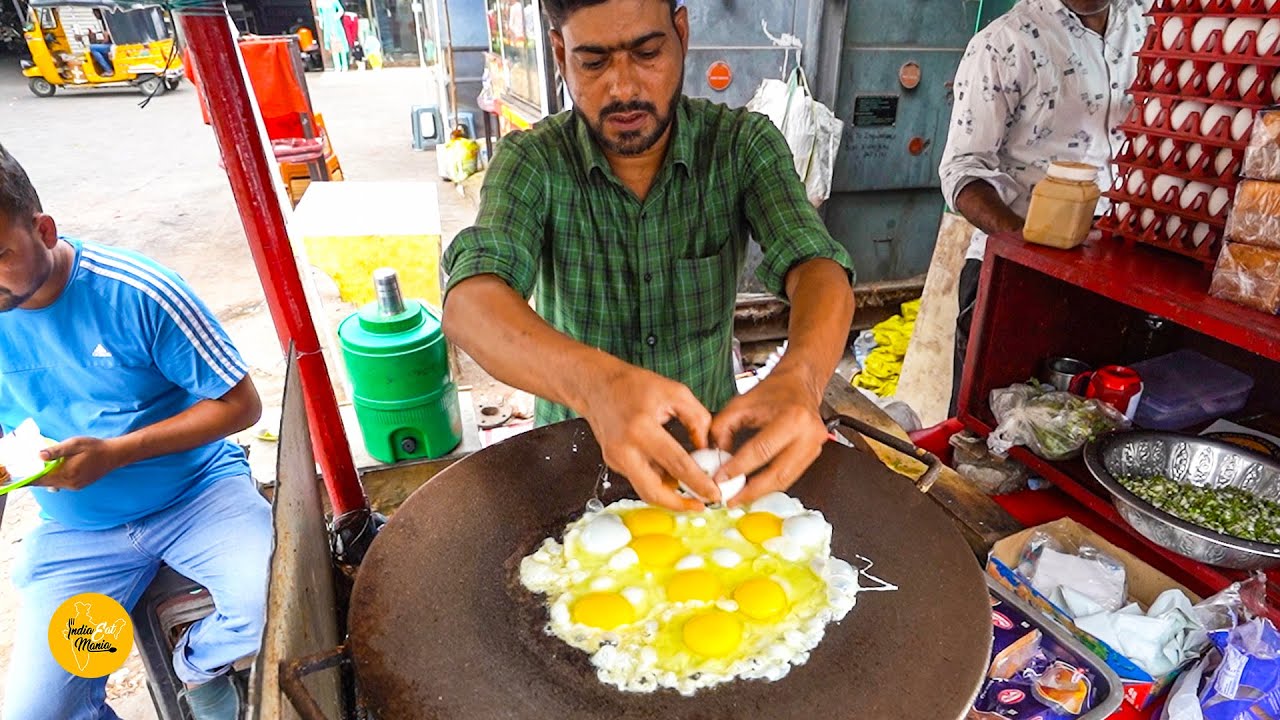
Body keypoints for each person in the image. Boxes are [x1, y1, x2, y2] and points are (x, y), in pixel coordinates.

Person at [442, 0, 856, 512]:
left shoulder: (742, 147)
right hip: (573, 461)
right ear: (559, 54)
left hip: (710, 464)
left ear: (681, 33)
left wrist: (802, 377)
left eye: (646, 52)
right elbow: (470, 303)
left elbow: (817, 266)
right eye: (593, 62)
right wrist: (598, 388)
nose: (623, 88)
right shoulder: (533, 163)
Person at [0, 144, 271, 720]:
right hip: (80, 538)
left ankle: (197, 664)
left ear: (43, 230)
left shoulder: (138, 292)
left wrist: (116, 454)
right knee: (40, 711)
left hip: (197, 497)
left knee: (263, 603)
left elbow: (242, 404)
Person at [939, 0, 1147, 414]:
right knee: (987, 424)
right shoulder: (1004, 42)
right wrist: (1023, 242)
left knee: (1091, 420)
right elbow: (963, 170)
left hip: (1118, 269)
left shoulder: (1148, 23)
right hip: (1018, 271)